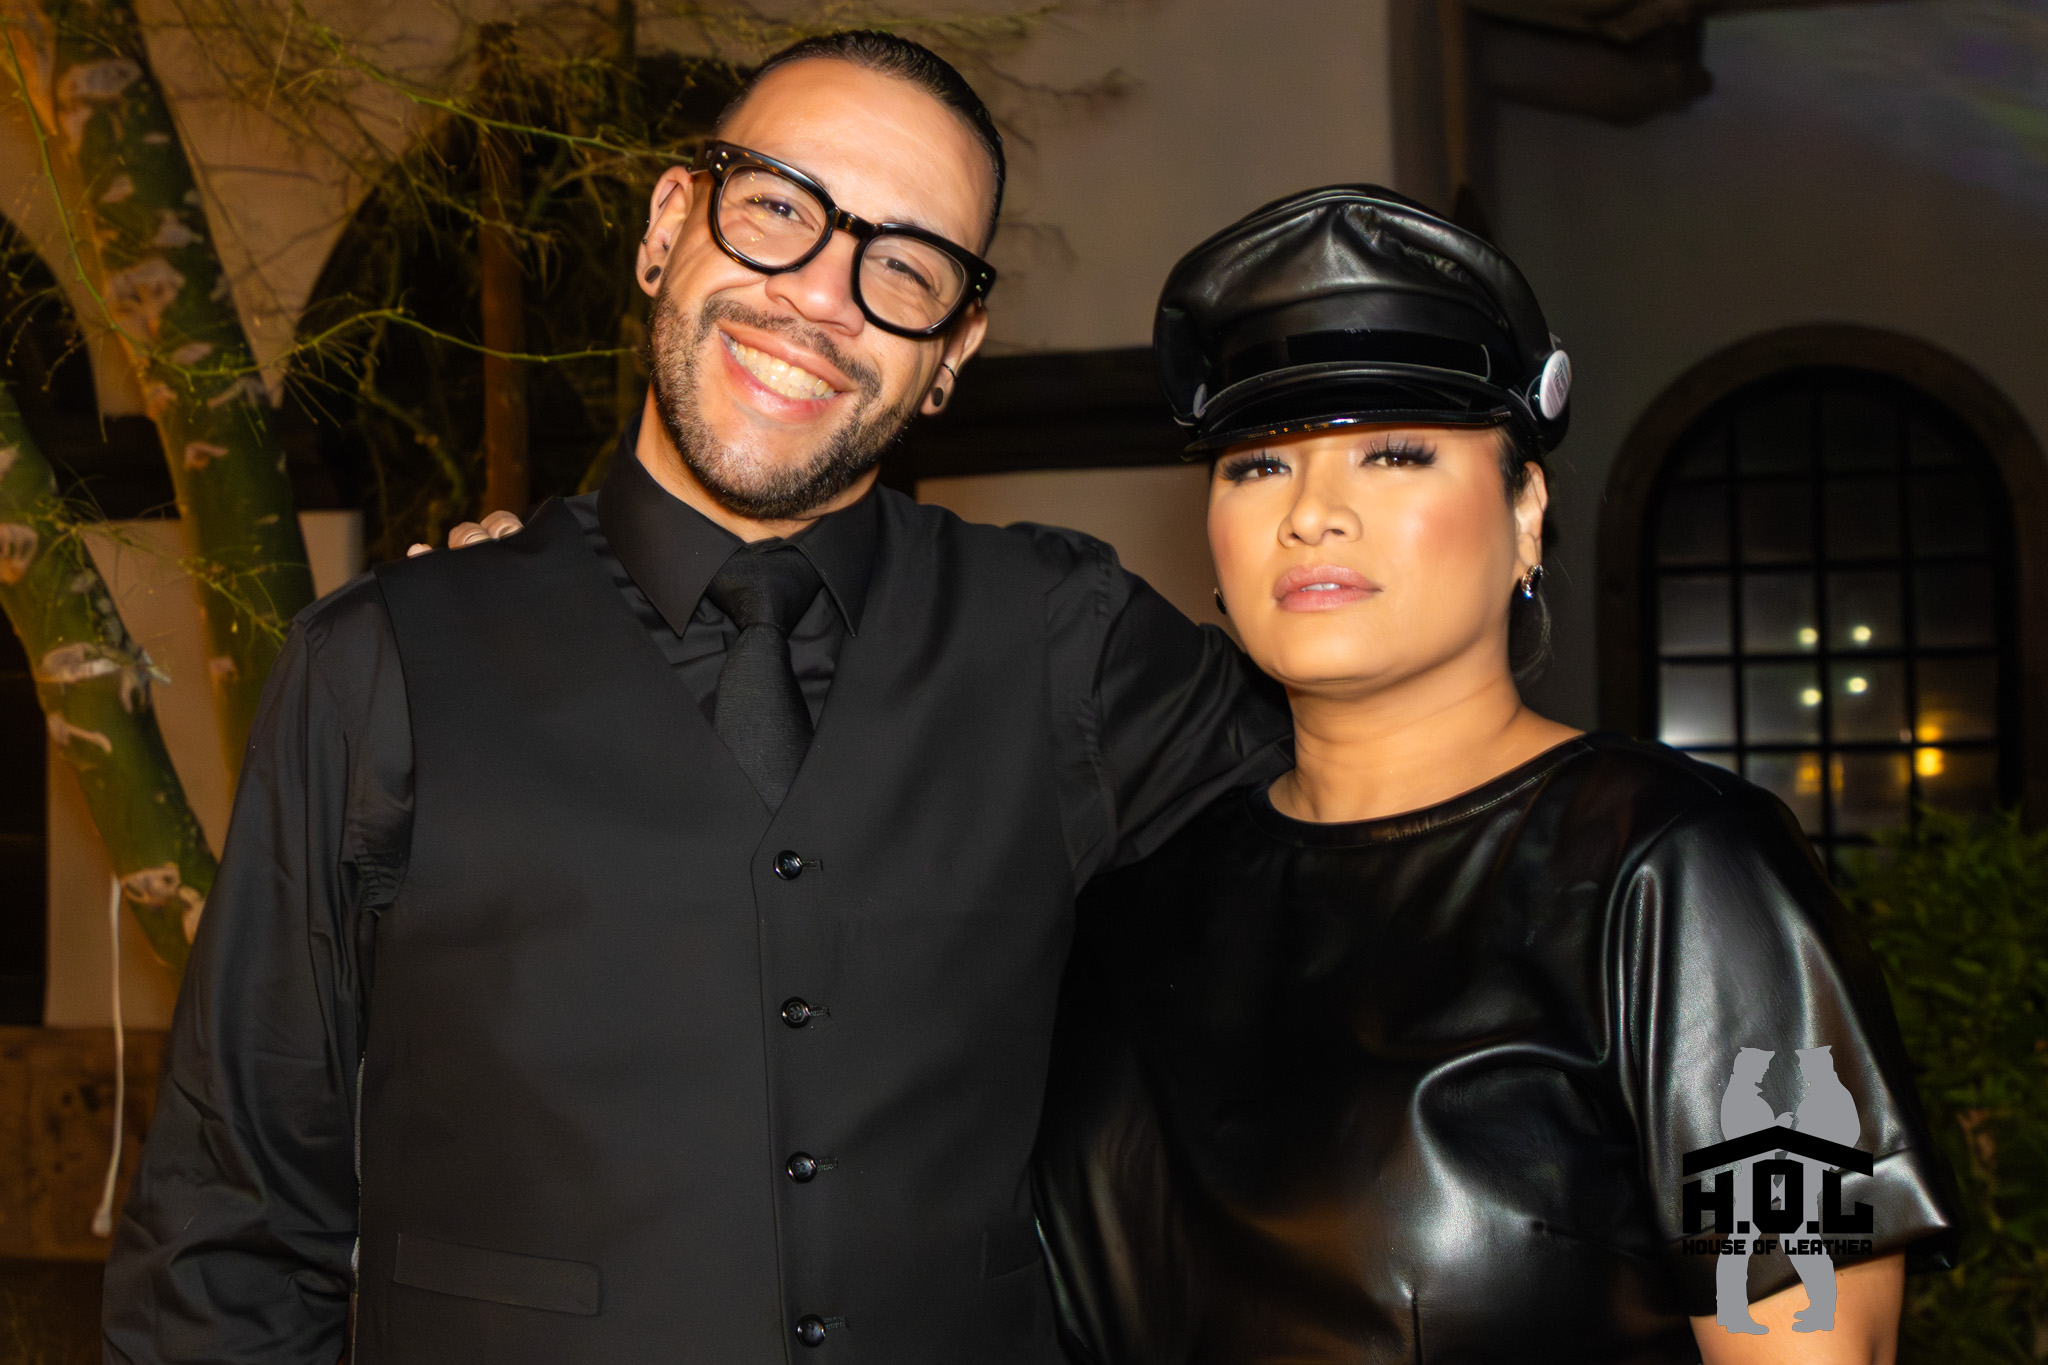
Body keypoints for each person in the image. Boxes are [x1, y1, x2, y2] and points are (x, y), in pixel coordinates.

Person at [102, 32, 1290, 1365]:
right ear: (668, 226)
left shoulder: (1073, 642)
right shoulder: (381, 666)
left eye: (904, 266)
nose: (819, 298)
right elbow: (230, 1241)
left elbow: (1387, 828)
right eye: (777, 207)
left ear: (953, 349)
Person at [1031, 186, 1962, 1365]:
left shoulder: (1686, 877)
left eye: (1394, 455)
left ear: (1525, 513)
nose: (1311, 514)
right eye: (1255, 466)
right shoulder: (1131, 902)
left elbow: (1811, 1343)